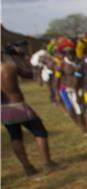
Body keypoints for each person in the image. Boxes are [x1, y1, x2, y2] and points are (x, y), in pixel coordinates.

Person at [1, 43, 57, 175]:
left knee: (15, 136)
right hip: (18, 105)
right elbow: (30, 74)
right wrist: (21, 57)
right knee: (39, 131)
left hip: (3, 108)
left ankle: (27, 167)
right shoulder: (10, 67)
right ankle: (47, 163)